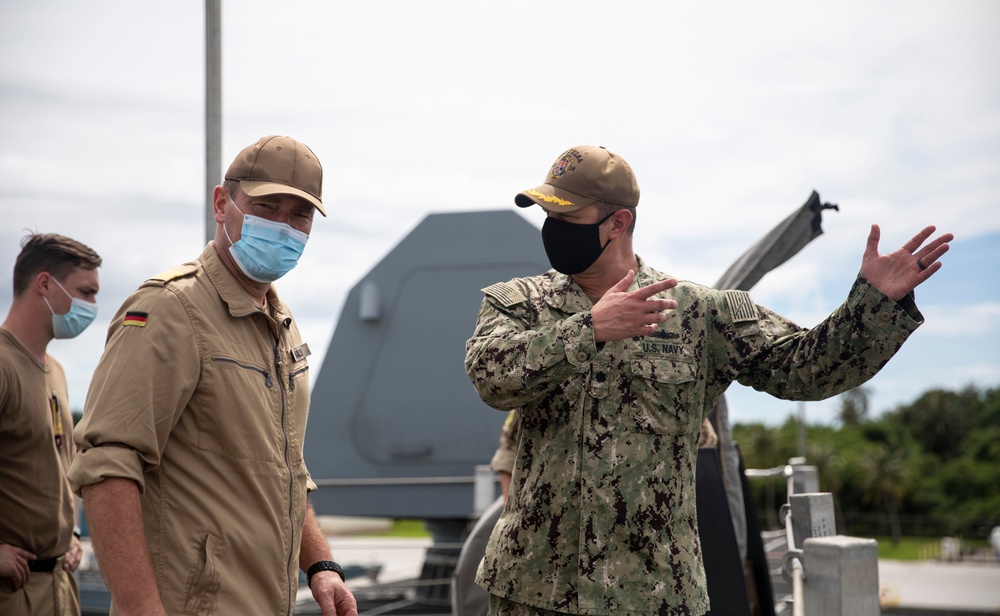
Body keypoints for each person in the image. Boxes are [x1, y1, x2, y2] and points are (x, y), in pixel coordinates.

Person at [464, 145, 953, 616]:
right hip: (533, 589)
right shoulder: (518, 303)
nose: (553, 229)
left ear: (619, 222)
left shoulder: (699, 313)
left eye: (567, 217)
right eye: (548, 216)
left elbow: (805, 368)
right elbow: (491, 375)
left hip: (654, 592)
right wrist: (588, 329)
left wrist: (873, 303)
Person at [68, 135, 358, 616]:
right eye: (267, 206)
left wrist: (321, 564)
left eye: (300, 215)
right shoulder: (170, 310)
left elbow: (283, 469)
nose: (284, 226)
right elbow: (107, 466)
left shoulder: (280, 326)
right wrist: (142, 609)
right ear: (223, 204)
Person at [1, 232, 102, 615]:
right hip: (13, 592)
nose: (92, 305)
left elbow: (64, 467)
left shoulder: (55, 371)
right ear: (45, 284)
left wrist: (73, 533)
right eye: (86, 292)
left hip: (58, 588)